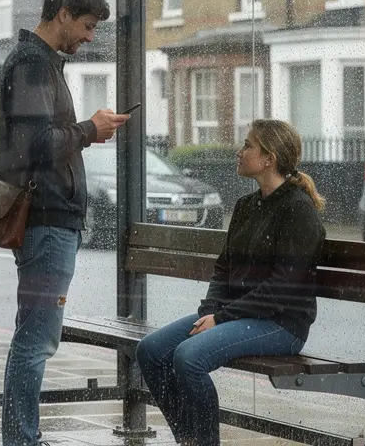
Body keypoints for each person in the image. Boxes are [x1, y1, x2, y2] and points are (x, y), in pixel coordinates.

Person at [0, 0, 130, 446]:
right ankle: (21, 440)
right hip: (48, 223)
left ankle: (21, 437)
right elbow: (35, 146)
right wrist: (89, 129)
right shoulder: (33, 64)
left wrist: (87, 129)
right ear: (63, 14)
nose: (91, 37)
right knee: (36, 341)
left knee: (32, 336)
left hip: (49, 221)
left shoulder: (39, 62)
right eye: (88, 26)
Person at [135, 119, 327, 446]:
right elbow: (223, 268)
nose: (239, 152)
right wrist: (209, 311)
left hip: (281, 324)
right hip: (236, 315)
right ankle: (190, 439)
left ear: (269, 159)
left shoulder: (297, 210)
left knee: (188, 358)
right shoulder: (246, 206)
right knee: (151, 351)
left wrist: (221, 318)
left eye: (248, 146)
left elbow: (282, 288)